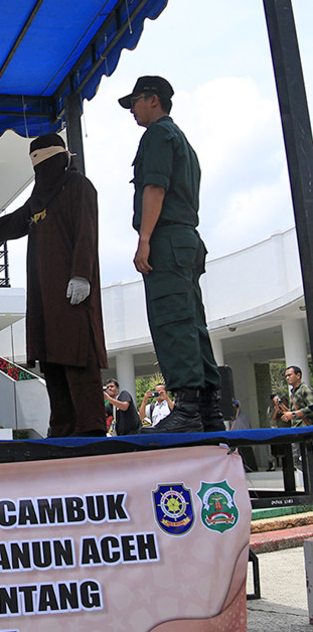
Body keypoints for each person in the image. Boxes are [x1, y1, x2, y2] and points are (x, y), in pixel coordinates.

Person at [0, 134, 107, 438]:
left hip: (73, 291)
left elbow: (87, 230)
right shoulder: (37, 199)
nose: (42, 174)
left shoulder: (78, 187)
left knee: (77, 356)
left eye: (46, 165)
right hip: (44, 296)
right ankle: (62, 428)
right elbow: (5, 225)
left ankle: (91, 427)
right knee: (52, 359)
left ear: (61, 160)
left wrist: (82, 274)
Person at [119, 76, 223, 433]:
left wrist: (145, 238)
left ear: (152, 99)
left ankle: (188, 408)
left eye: (135, 101)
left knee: (172, 321)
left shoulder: (157, 135)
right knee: (193, 322)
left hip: (166, 238)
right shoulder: (181, 139)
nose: (132, 109)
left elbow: (155, 186)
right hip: (187, 239)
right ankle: (208, 409)